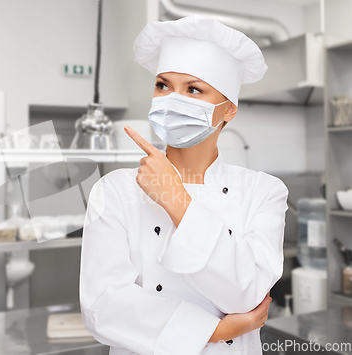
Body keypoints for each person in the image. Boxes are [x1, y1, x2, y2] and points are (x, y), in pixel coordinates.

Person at [79, 14, 289, 355]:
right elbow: (102, 307)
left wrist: (177, 200)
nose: (173, 100)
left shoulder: (263, 192)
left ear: (228, 110)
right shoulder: (114, 190)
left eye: (193, 89)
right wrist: (214, 331)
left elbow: (247, 294)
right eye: (163, 85)